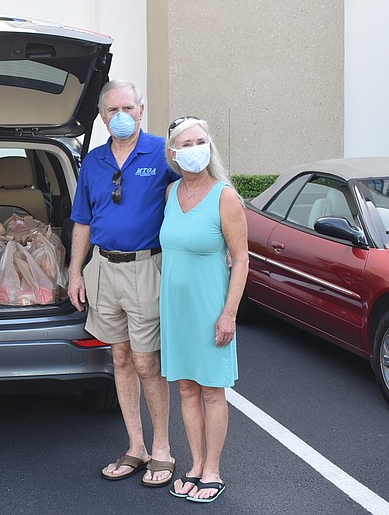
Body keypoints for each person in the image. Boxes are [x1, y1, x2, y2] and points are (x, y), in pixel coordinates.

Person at [68, 79, 179, 487]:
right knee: (119, 358)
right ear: (101, 116)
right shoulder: (93, 162)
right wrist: (74, 271)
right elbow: (82, 220)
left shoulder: (162, 154)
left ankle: (163, 449)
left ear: (141, 110)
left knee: (147, 362)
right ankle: (136, 447)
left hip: (145, 268)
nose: (121, 116)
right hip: (103, 269)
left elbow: (194, 195)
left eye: (128, 108)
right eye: (112, 110)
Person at [159, 116, 248, 503]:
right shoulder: (170, 193)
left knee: (212, 390)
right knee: (185, 388)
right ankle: (195, 465)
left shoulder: (224, 196)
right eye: (187, 143)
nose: (196, 148)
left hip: (211, 308)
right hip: (176, 310)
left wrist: (228, 314)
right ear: (173, 153)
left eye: (201, 141)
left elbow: (242, 260)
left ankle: (213, 470)